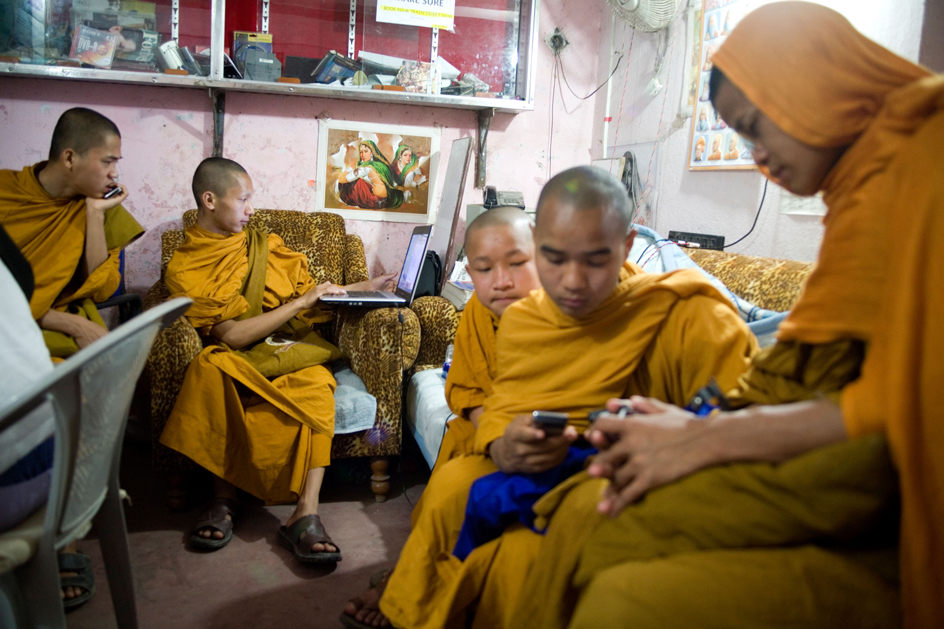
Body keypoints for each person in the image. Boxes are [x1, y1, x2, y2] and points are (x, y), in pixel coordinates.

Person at [508, 3, 944, 628]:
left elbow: (894, 401)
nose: (758, 157)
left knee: (603, 523)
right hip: (804, 434)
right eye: (744, 137)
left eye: (758, 127)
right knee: (585, 500)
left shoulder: (925, 158)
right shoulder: (864, 183)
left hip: (864, 464)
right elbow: (814, 368)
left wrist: (704, 436)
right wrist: (694, 423)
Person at [343, 166, 757, 629]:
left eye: (595, 260)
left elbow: (740, 425)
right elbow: (507, 403)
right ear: (539, 246)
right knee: (453, 485)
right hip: (541, 459)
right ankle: (413, 595)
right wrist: (504, 442)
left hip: (639, 468)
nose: (573, 282)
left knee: (527, 550)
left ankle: (425, 594)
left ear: (625, 246)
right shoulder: (531, 316)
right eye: (555, 259)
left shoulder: (685, 312)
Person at [159, 157, 396, 563]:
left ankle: (306, 513)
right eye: (244, 199)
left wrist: (366, 286)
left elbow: (313, 292)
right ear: (210, 199)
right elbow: (231, 335)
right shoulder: (185, 264)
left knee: (319, 385)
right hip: (237, 353)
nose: (252, 209)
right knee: (208, 370)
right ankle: (223, 499)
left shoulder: (263, 245)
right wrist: (300, 303)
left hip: (285, 346)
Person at [341, 206, 541, 626]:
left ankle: (413, 578)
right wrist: (498, 436)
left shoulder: (571, 308)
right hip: (494, 434)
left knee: (460, 486)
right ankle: (416, 576)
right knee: (455, 465)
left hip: (557, 439)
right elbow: (467, 391)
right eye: (483, 269)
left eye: (518, 263)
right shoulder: (478, 315)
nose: (502, 281)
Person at [0, 107, 143, 360]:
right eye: (107, 161)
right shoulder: (7, 192)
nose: (115, 174)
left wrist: (95, 213)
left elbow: (100, 290)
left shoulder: (101, 207)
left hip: (58, 322)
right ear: (69, 159)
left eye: (116, 163)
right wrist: (67, 323)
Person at [338, 141, 404, 210]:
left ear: (372, 152)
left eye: (366, 151)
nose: (363, 155)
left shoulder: (366, 168)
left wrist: (351, 168)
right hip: (385, 201)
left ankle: (348, 200)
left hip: (374, 202)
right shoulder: (380, 165)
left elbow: (341, 179)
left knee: (350, 182)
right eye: (361, 152)